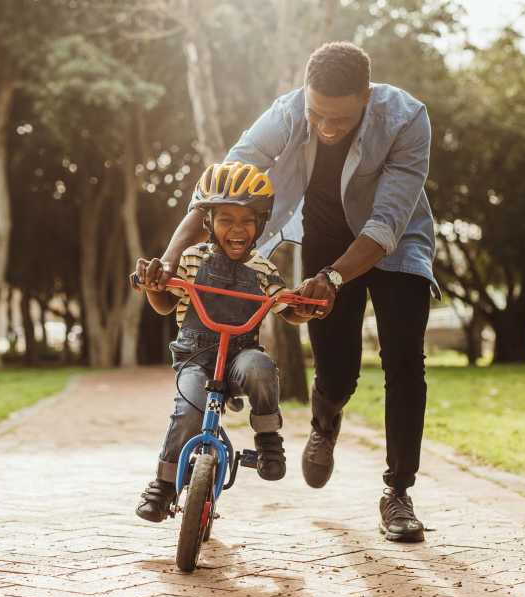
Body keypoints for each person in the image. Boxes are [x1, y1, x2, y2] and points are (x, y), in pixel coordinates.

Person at [140, 42, 440, 542]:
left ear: (366, 96)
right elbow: (221, 186)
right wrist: (170, 259)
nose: (325, 128)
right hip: (326, 237)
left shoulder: (407, 119)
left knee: (405, 362)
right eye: (317, 114)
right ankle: (326, 421)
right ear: (306, 94)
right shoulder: (286, 112)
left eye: (340, 120)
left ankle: (398, 493)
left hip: (396, 242)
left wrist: (335, 279)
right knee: (338, 371)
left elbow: (387, 222)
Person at [133, 162, 313, 523]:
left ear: (260, 224)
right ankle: (164, 484)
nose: (237, 229)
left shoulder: (263, 269)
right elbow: (166, 302)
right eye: (226, 219)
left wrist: (306, 307)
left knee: (261, 369)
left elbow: (286, 308)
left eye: (247, 220)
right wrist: (154, 287)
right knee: (190, 409)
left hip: (239, 356)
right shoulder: (189, 259)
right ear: (208, 223)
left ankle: (267, 439)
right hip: (195, 357)